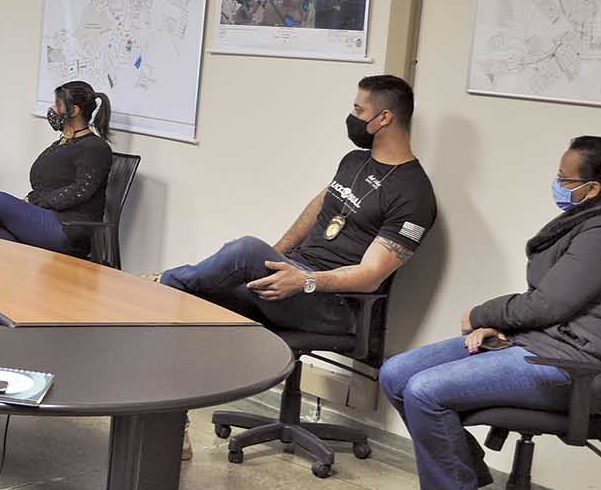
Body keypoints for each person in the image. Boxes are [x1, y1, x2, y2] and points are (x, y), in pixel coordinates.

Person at [380, 137, 601, 490]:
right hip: (538, 343)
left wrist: (482, 315)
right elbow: (554, 303)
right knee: (396, 373)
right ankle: (461, 470)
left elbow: (549, 304)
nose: (557, 184)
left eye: (565, 179)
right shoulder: (588, 222)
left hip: (572, 367)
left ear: (593, 188)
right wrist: (505, 327)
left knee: (424, 390)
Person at [157, 75, 436, 336]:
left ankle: (161, 283)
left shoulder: (414, 193)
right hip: (295, 276)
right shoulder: (354, 161)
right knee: (201, 293)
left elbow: (371, 277)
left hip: (336, 305)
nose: (352, 117)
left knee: (244, 251)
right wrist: (273, 259)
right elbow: (318, 207)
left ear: (384, 118)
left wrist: (305, 280)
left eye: (358, 110)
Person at [0, 80, 114, 255]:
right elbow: (49, 183)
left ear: (74, 110)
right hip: (47, 219)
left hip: (70, 230)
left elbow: (80, 191)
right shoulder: (63, 143)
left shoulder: (95, 148)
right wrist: (33, 200)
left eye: (58, 104)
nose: (52, 109)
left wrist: (35, 200)